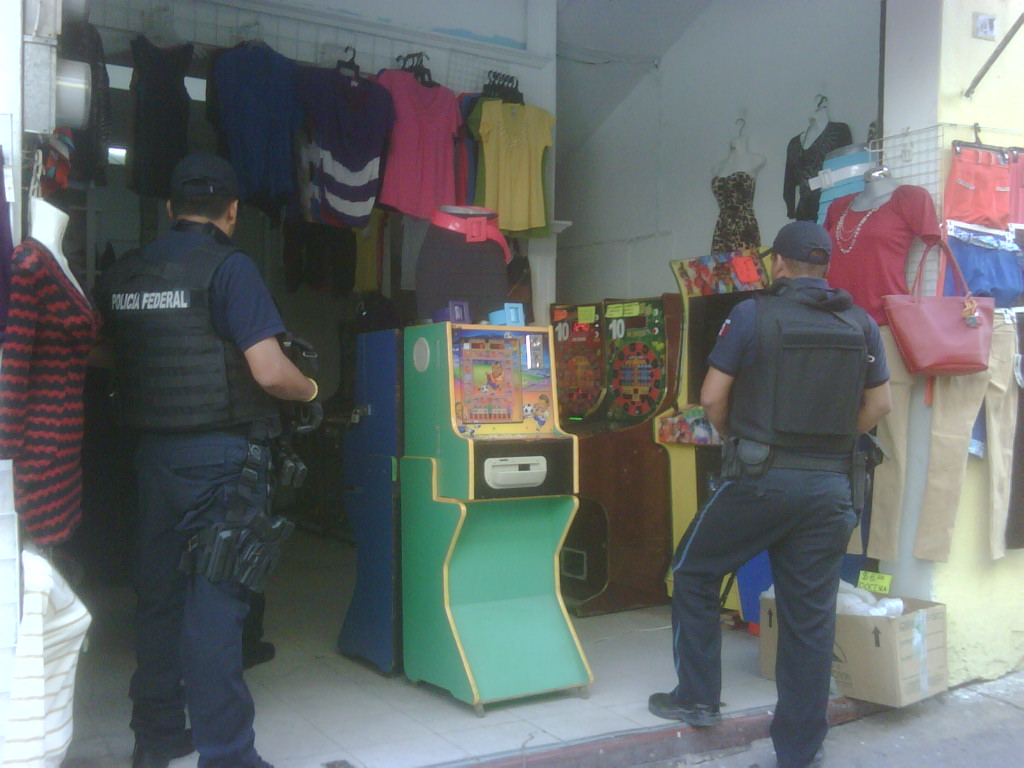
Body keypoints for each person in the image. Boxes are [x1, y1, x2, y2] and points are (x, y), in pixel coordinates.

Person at [94, 152, 318, 768]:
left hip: (151, 459)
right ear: (233, 211)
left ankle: (157, 737)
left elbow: (102, 354)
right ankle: (228, 756)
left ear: (170, 209)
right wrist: (310, 390)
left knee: (158, 600)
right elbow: (269, 371)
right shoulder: (230, 269)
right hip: (220, 462)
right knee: (216, 608)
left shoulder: (125, 275)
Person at [648, 221, 891, 768]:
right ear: (825, 266)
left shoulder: (752, 315)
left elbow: (713, 397)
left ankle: (697, 697)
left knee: (693, 570)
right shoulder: (860, 323)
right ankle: (799, 752)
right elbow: (880, 406)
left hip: (761, 481)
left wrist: (739, 437)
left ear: (777, 264)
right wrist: (831, 442)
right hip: (830, 488)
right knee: (809, 619)